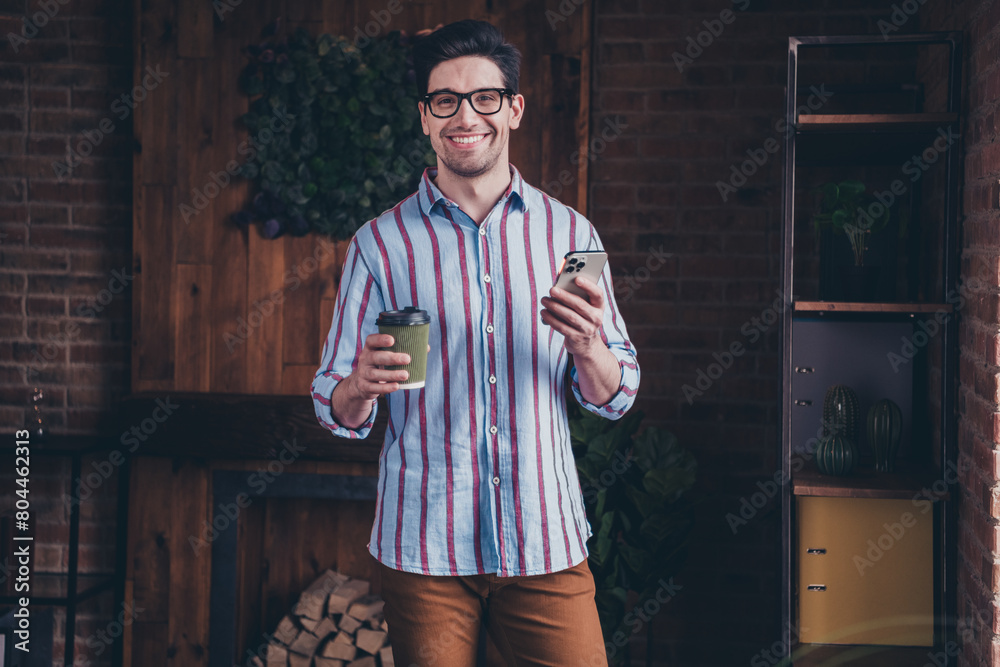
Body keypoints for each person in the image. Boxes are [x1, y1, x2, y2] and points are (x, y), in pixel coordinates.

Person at [310, 19, 639, 667]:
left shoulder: (570, 237)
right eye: (445, 101)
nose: (466, 116)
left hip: (545, 540)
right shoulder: (380, 244)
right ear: (425, 119)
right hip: (425, 549)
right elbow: (334, 404)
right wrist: (359, 386)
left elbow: (615, 393)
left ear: (513, 109)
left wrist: (587, 348)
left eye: (485, 97)